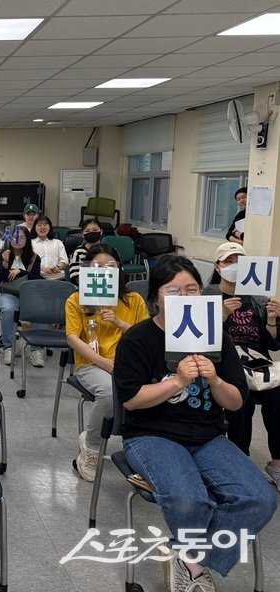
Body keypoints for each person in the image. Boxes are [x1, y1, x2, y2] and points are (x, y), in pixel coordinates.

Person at [113, 255, 276, 592]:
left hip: (208, 436)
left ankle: (189, 558)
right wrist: (176, 382)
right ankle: (194, 568)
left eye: (192, 289)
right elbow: (131, 400)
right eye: (174, 291)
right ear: (156, 296)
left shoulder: (216, 338)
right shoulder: (139, 338)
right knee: (190, 501)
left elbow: (235, 402)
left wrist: (214, 380)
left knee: (261, 498)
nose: (185, 298)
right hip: (151, 435)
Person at [66, 244, 149, 481]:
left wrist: (120, 324)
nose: (104, 270)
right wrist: (103, 362)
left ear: (119, 270)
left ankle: (141, 448)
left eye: (110, 266)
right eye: (98, 266)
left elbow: (146, 335)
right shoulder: (76, 300)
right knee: (109, 391)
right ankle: (91, 447)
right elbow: (72, 337)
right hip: (91, 364)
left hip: (130, 364)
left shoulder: (133, 300)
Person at [210, 242, 280, 489]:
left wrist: (272, 320)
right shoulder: (209, 296)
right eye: (228, 262)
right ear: (218, 267)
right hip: (226, 363)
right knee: (242, 398)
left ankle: (277, 464)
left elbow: (271, 344)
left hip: (257, 363)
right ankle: (240, 461)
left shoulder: (257, 299)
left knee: (278, 397)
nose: (234, 267)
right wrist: (222, 315)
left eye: (240, 262)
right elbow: (202, 341)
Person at [0, 225, 41, 366]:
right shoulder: (2, 255)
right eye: (15, 237)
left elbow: (35, 277)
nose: (18, 240)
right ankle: (9, 347)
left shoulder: (34, 257)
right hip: (7, 292)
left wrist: (21, 272)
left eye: (22, 237)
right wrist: (4, 263)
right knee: (8, 309)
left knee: (41, 309)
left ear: (27, 239)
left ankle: (36, 349)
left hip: (28, 294)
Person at [32, 215, 68, 280]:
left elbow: (64, 261)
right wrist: (41, 268)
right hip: (38, 275)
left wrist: (57, 267)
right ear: (34, 228)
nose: (42, 227)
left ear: (50, 227)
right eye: (39, 225)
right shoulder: (30, 243)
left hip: (56, 275)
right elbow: (27, 262)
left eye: (45, 225)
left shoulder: (58, 243)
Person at [68, 218, 103, 285]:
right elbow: (75, 277)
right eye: (87, 231)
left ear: (101, 232)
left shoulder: (110, 251)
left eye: (95, 230)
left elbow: (118, 274)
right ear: (82, 234)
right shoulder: (78, 252)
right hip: (84, 288)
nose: (91, 233)